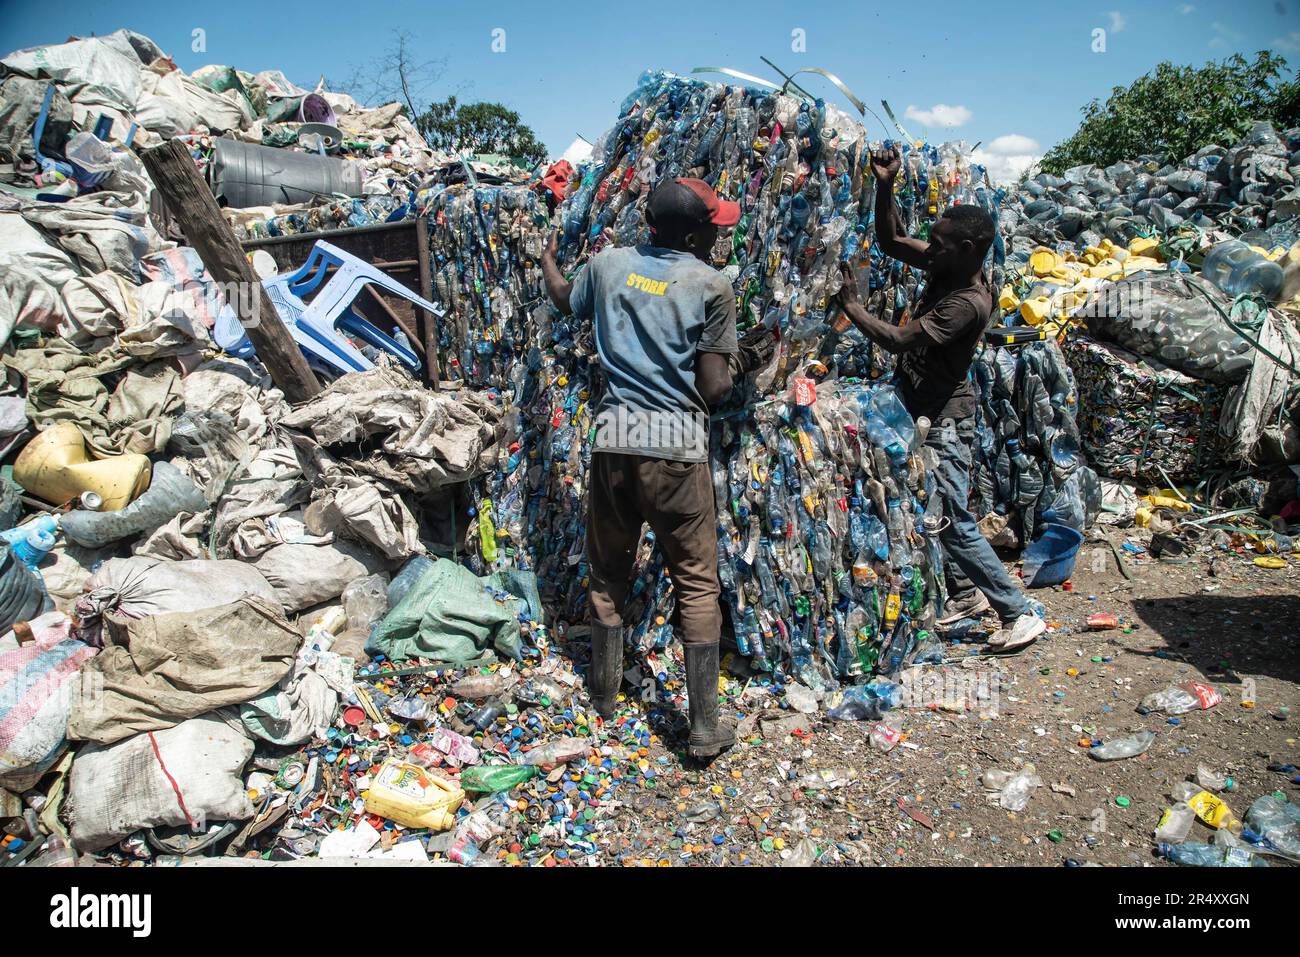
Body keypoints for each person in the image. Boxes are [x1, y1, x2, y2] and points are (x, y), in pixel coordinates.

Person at [541, 178, 775, 758]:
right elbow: (715, 386)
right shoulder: (709, 284)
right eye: (715, 229)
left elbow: (563, 296)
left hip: (614, 437)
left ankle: (602, 697)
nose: (718, 238)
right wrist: (747, 356)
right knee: (696, 581)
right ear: (695, 232)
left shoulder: (608, 264)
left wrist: (545, 258)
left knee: (608, 572)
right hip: (674, 443)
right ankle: (702, 730)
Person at [833, 145, 1045, 652]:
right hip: (916, 404)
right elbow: (888, 240)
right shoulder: (948, 265)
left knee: (948, 516)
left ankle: (1017, 610)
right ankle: (964, 593)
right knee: (929, 505)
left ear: (970, 248)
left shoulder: (967, 303)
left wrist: (852, 309)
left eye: (941, 244)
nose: (931, 249)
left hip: (946, 417)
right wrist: (885, 183)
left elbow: (901, 340)